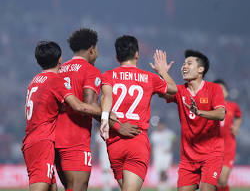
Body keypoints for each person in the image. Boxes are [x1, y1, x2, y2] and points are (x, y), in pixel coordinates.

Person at [54, 29, 140, 191]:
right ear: (91, 50)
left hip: (55, 140)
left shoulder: (59, 69)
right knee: (78, 187)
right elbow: (89, 105)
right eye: (97, 50)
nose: (98, 55)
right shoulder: (90, 70)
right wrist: (116, 124)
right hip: (75, 141)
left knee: (69, 187)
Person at [22, 41, 104, 191]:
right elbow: (78, 106)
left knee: (52, 188)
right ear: (60, 60)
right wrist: (106, 113)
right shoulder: (56, 81)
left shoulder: (34, 81)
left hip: (30, 141)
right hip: (43, 141)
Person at [100, 35, 177, 191]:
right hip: (137, 140)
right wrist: (162, 71)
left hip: (114, 143)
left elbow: (106, 97)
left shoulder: (108, 75)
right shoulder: (150, 78)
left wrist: (104, 119)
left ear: (117, 56)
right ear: (137, 54)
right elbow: (173, 89)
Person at [158, 50, 226, 191]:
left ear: (201, 69)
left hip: (211, 154)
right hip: (188, 157)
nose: (184, 66)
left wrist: (199, 112)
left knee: (206, 189)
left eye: (189, 63)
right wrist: (162, 72)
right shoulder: (180, 91)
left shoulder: (214, 89)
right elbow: (162, 93)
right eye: (183, 64)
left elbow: (220, 114)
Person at [214, 80, 242, 191]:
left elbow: (239, 116)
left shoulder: (233, 106)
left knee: (222, 179)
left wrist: (236, 127)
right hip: (213, 149)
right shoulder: (209, 108)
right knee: (213, 182)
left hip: (228, 148)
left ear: (226, 92)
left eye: (222, 89)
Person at [150, 122, 176, 191]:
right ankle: (162, 185)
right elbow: (152, 145)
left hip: (166, 154)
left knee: (165, 170)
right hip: (157, 154)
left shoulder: (169, 133)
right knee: (160, 171)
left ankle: (165, 185)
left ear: (163, 125)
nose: (160, 127)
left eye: (161, 125)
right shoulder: (154, 134)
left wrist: (171, 148)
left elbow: (175, 140)